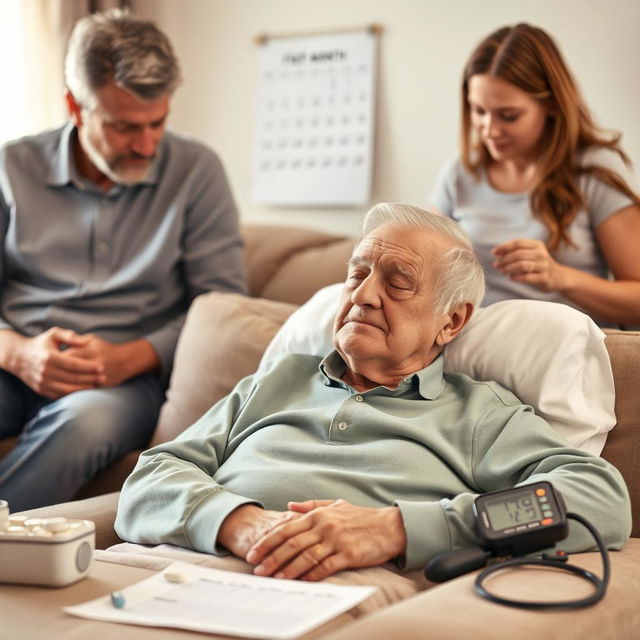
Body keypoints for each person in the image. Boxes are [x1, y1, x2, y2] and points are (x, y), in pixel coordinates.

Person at [115, 203, 630, 582]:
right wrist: (236, 523)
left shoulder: (478, 414)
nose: (362, 295)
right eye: (357, 273)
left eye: (398, 281)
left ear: (451, 322)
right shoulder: (275, 381)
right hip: (171, 569)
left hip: (326, 593)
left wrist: (398, 530)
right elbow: (149, 478)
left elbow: (598, 500)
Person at [0, 9, 246, 511]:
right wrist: (17, 353)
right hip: (13, 363)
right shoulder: (11, 167)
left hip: (121, 382)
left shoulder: (197, 172)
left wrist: (128, 358)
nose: (146, 144)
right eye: (124, 127)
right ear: (75, 105)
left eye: (158, 123)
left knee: (83, 425)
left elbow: (220, 309)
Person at [429, 23, 640, 328]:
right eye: (478, 111)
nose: (489, 130)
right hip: (475, 347)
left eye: (508, 115)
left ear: (552, 104)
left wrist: (560, 278)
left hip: (561, 349)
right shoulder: (458, 175)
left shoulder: (595, 171)